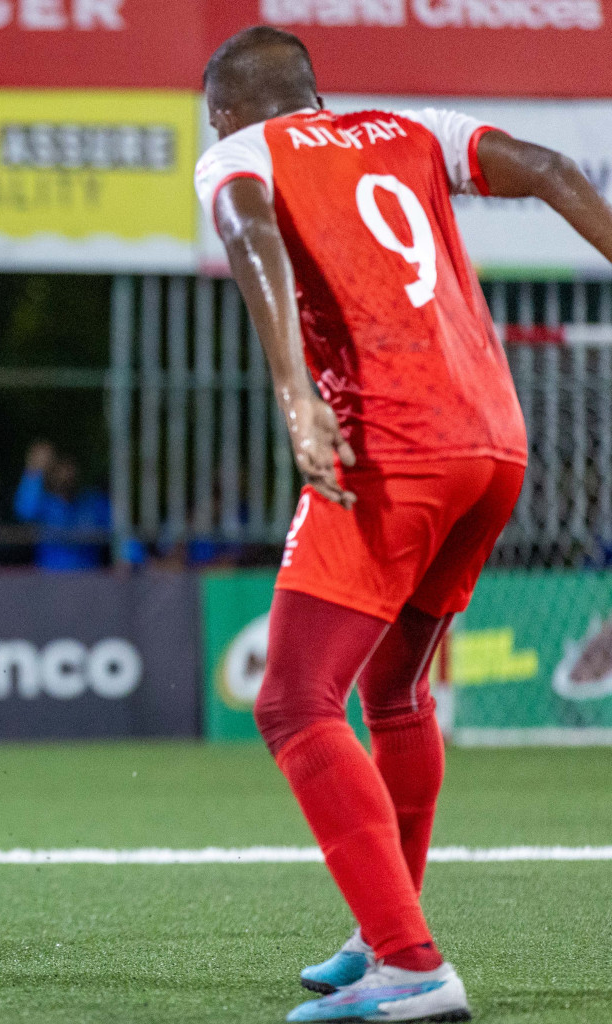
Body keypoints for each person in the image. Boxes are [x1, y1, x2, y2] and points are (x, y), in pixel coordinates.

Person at [197, 26, 612, 1023]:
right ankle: (380, 926)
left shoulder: (239, 152)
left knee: (295, 700)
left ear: (223, 111)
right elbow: (555, 169)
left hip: (397, 445)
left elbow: (250, 232)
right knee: (394, 685)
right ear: (314, 93)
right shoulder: (411, 129)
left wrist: (295, 391)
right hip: (495, 446)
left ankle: (409, 963)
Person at [12, 440, 111, 570]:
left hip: (89, 581)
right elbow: (24, 512)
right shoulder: (44, 504)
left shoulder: (94, 502)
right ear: (51, 472)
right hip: (50, 581)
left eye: (70, 467)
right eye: (60, 468)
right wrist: (33, 471)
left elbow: (122, 530)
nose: (65, 474)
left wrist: (134, 558)